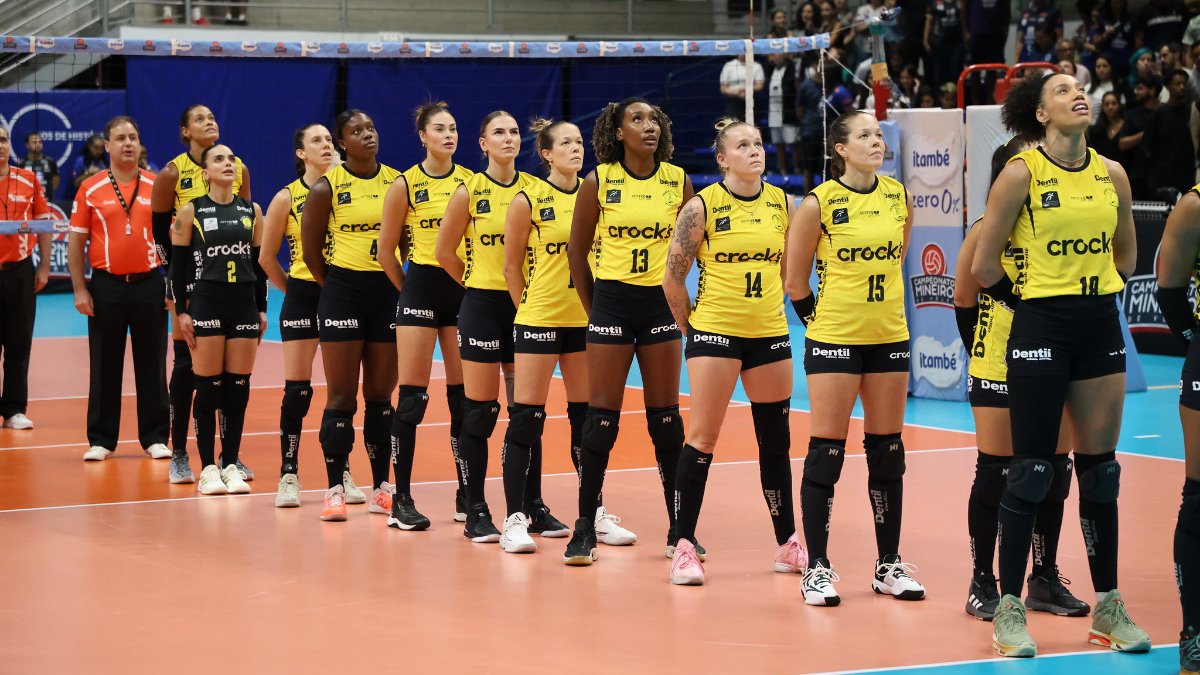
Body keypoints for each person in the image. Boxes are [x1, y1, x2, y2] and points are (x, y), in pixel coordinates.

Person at [972, 72, 1149, 657]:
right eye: (1061, 89)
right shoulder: (1021, 173)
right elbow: (984, 265)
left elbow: (1126, 251)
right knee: (1031, 471)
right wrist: (1037, 305)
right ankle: (1009, 609)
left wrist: (1095, 294)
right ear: (1040, 113)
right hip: (1039, 325)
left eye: (1081, 87)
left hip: (1098, 323)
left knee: (1101, 472)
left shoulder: (1112, 173)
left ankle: (1109, 607)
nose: (1079, 94)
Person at [785, 110, 923, 607]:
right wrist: (822, 327)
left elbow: (899, 256)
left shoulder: (899, 196)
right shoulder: (818, 204)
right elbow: (795, 281)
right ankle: (817, 567)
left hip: (889, 335)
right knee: (827, 452)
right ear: (840, 148)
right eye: (864, 135)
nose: (876, 141)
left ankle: (888, 565)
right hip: (834, 338)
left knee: (888, 451)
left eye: (879, 135)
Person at [660, 118, 807, 585]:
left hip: (768, 333)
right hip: (714, 333)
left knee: (776, 442)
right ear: (722, 158)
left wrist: (768, 312)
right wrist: (694, 333)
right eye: (742, 146)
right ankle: (684, 545)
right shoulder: (701, 208)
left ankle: (788, 544)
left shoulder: (785, 204)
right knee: (702, 438)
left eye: (759, 143)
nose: (755, 151)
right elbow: (673, 278)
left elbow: (789, 272)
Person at [953, 136, 1090, 622]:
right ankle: (982, 581)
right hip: (998, 368)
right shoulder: (987, 230)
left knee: (1052, 470)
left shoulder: (1060, 224)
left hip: (1055, 363)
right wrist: (986, 355)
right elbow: (964, 302)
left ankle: (1044, 578)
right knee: (996, 473)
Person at [565, 98, 695, 564]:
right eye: (637, 120)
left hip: (659, 306)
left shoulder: (678, 181)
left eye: (655, 119)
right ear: (618, 132)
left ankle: (680, 530)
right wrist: (594, 309)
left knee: (666, 421)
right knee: (600, 420)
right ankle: (583, 527)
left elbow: (689, 252)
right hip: (612, 304)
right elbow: (576, 253)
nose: (649, 126)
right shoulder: (600, 181)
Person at [433, 111, 567, 546]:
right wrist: (476, 282)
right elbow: (444, 252)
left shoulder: (535, 190)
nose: (508, 138)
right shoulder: (468, 191)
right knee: (480, 409)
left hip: (527, 307)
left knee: (527, 413)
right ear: (483, 143)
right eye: (499, 133)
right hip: (483, 306)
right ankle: (475, 508)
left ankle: (533, 506)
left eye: (513, 132)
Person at [300, 109, 400, 522]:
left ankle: (382, 487)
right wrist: (337, 289)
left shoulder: (397, 181)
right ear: (343, 143)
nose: (367, 135)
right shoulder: (327, 187)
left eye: (371, 128)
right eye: (356, 131)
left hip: (386, 294)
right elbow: (310, 253)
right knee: (341, 397)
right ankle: (334, 489)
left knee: (380, 397)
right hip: (342, 292)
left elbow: (406, 242)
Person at [377, 102, 473, 529]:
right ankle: (402, 499)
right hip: (419, 289)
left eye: (453, 128)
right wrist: (409, 294)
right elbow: (385, 252)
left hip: (462, 293)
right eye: (439, 129)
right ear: (423, 136)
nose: (449, 135)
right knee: (412, 400)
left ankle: (466, 493)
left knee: (463, 400)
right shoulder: (405, 184)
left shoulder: (471, 181)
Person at [260, 123, 366, 509]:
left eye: (328, 139)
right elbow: (266, 258)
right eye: (316, 141)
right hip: (305, 294)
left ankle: (341, 473)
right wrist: (295, 291)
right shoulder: (287, 197)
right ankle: (289, 473)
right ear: (301, 153)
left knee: (343, 393)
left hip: (344, 293)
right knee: (298, 389)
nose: (325, 145)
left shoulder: (350, 188)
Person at [495, 119, 588, 554]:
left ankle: (593, 513)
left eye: (579, 141)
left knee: (587, 419)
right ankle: (515, 518)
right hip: (539, 318)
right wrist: (528, 310)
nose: (576, 148)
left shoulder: (594, 194)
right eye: (566, 143)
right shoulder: (527, 197)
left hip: (584, 322)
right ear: (547, 153)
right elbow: (511, 267)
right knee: (527, 418)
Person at [150, 103, 252, 485]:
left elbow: (243, 221)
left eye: (213, 117)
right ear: (185, 132)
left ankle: (230, 457)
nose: (210, 122)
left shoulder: (236, 167)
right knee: (185, 370)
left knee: (231, 375)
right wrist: (173, 286)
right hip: (188, 283)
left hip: (226, 283)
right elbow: (160, 234)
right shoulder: (172, 173)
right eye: (200, 119)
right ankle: (179, 452)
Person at [69, 116, 170, 462]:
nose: (128, 143)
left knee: (153, 363)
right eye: (120, 138)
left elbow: (173, 239)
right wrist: (81, 290)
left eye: (133, 137)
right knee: (104, 363)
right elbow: (76, 242)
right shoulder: (90, 188)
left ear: (140, 145)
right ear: (107, 146)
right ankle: (101, 438)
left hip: (149, 285)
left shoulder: (158, 185)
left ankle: (156, 437)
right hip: (106, 286)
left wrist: (172, 286)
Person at [168, 143, 266, 496]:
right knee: (208, 388)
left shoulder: (252, 210)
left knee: (238, 387)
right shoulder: (190, 211)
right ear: (205, 172)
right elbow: (177, 269)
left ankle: (231, 464)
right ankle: (207, 467)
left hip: (242, 305)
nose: (229, 164)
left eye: (233, 160)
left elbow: (258, 266)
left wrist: (262, 309)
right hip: (207, 303)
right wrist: (181, 311)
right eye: (220, 160)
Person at [1154, 180, 1200, 675]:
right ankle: (1194, 635)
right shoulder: (1194, 203)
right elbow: (1169, 294)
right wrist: (1196, 345)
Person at [0, 126, 52, 431]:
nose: (0, 146)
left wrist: (44, 267)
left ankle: (14, 410)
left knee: (19, 344)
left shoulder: (28, 179)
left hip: (20, 271)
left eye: (4, 140)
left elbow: (43, 225)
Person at [1144, 68, 1195, 198]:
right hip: (1162, 177)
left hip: (1186, 177)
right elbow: (1148, 147)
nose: (1182, 87)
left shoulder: (1190, 112)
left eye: (1184, 84)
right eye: (1177, 84)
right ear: (1167, 86)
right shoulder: (1159, 113)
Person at [1117, 74, 1161, 199]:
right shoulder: (1132, 114)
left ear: (1152, 90)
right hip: (1139, 174)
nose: (1135, 92)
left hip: (1162, 174)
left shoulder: (1165, 112)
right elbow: (1123, 143)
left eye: (1140, 88)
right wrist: (1147, 133)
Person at [767, 52, 801, 176]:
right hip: (773, 114)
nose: (775, 56)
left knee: (793, 143)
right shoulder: (771, 70)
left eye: (778, 54)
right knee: (778, 144)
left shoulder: (791, 70)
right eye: (773, 54)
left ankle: (798, 169)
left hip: (788, 113)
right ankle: (782, 170)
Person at [925, 0, 969, 89]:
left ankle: (956, 99)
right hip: (938, 43)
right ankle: (939, 99)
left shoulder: (959, 2)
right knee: (939, 74)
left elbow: (963, 19)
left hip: (956, 43)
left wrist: (965, 35)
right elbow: (929, 22)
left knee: (955, 72)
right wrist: (925, 40)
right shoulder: (934, 2)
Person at [719, 54, 766, 120]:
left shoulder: (757, 66)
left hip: (751, 103)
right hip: (733, 104)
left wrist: (745, 90)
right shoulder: (728, 65)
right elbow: (723, 88)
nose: (743, 53)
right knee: (733, 128)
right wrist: (736, 93)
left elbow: (759, 86)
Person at [1089, 91, 1129, 165]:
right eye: (1107, 104)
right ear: (1102, 107)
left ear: (1119, 105)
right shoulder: (1096, 130)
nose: (1110, 107)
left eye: (1114, 103)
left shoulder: (1127, 126)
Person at [18, 132, 57, 205]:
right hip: (27, 203)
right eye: (34, 142)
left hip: (47, 202)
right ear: (27, 145)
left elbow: (56, 181)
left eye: (40, 142)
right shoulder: (21, 164)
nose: (38, 145)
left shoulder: (50, 162)